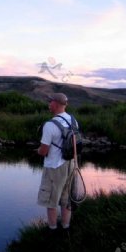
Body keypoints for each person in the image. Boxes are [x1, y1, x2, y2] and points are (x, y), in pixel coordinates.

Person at [37, 93, 77, 233]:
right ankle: (66, 228)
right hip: (71, 165)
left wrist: (37, 151)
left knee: (51, 201)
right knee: (67, 199)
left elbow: (44, 150)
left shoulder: (49, 125)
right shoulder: (73, 120)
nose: (48, 104)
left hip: (54, 166)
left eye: (50, 102)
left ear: (56, 104)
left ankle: (52, 230)